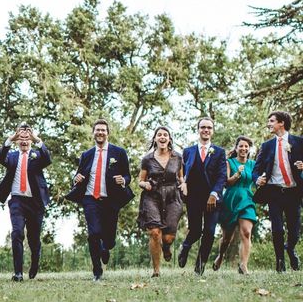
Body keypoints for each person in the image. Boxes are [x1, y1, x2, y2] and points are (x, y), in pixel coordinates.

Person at [65, 119, 135, 281]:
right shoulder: (87, 155)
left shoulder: (119, 153)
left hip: (111, 200)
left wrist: (123, 180)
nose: (100, 133)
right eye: (97, 130)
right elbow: (78, 176)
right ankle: (97, 270)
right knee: (94, 233)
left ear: (108, 133)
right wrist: (77, 179)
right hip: (91, 199)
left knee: (109, 240)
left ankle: (106, 248)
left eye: (103, 130)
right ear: (93, 133)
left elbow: (128, 175)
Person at [0, 123, 51, 281]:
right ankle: (18, 272)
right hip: (17, 201)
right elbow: (1, 158)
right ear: (17, 140)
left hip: (36, 202)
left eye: (27, 138)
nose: (24, 141)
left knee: (34, 238)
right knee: (17, 233)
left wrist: (37, 139)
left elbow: (47, 159)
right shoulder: (12, 156)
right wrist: (9, 139)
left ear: (31, 140)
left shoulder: (37, 155)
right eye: (21, 138)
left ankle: (34, 263)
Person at [252, 111, 303, 272]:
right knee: (277, 228)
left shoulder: (299, 142)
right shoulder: (266, 146)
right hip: (274, 192)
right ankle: (280, 261)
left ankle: (290, 248)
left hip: (294, 192)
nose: (269, 124)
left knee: (294, 230)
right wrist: (257, 179)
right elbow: (256, 169)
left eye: (272, 121)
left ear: (281, 123)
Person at [177, 117, 227, 276]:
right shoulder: (188, 151)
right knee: (196, 230)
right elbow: (182, 173)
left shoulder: (219, 152)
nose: (206, 130)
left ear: (212, 131)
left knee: (210, 231)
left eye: (209, 128)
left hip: (213, 197)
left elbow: (221, 176)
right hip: (193, 197)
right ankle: (185, 247)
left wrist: (214, 193)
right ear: (198, 129)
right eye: (203, 127)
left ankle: (200, 265)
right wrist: (182, 183)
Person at [137, 127, 183, 277]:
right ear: (155, 139)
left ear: (169, 139)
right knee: (155, 233)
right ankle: (156, 270)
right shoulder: (147, 159)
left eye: (165, 135)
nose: (162, 137)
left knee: (168, 237)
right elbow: (140, 180)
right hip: (152, 196)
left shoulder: (178, 158)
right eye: (159, 135)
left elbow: (181, 178)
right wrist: (145, 185)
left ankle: (167, 247)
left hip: (172, 196)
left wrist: (184, 184)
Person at [212, 136, 257, 274]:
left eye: (246, 146)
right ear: (236, 148)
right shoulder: (229, 162)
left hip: (247, 199)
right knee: (227, 238)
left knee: (247, 232)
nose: (243, 148)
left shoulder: (253, 164)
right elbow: (226, 182)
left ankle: (243, 265)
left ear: (249, 149)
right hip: (231, 199)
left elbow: (256, 180)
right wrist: (237, 174)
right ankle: (220, 256)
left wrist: (261, 180)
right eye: (241, 146)